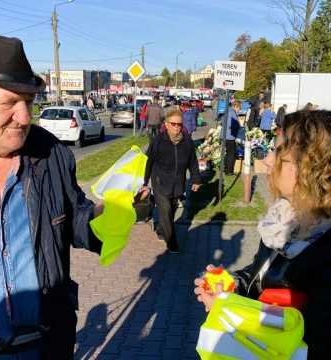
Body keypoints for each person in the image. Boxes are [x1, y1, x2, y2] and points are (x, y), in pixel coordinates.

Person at [0, 34, 104, 359]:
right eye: (9, 103)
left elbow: (76, 222)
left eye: (29, 102)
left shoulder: (51, 154)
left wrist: (113, 214)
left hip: (46, 345)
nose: (25, 117)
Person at [194, 110, 331, 358]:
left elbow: (310, 341)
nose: (268, 160)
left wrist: (231, 312)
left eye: (278, 152)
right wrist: (232, 285)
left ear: (311, 166)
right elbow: (260, 275)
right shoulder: (282, 222)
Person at [140, 109, 201, 253]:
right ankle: (172, 242)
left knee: (171, 210)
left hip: (178, 183)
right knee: (165, 210)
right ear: (166, 125)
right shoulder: (158, 141)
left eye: (179, 124)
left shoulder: (187, 142)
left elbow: (193, 162)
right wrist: (144, 183)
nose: (176, 127)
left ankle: (162, 229)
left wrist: (196, 179)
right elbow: (148, 162)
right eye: (173, 124)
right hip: (160, 181)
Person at [225, 101, 241, 175]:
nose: (239, 111)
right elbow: (234, 124)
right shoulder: (232, 113)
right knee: (231, 154)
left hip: (226, 135)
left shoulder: (228, 111)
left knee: (228, 153)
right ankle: (229, 171)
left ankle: (226, 169)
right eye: (239, 109)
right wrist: (239, 126)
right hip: (230, 136)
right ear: (236, 106)